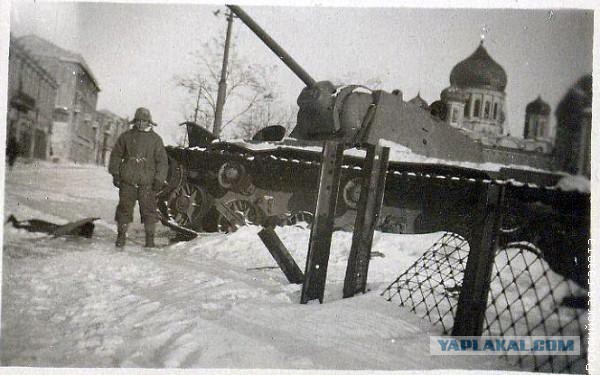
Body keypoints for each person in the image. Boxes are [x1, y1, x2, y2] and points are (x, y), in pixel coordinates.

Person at [108, 107, 168, 248]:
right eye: (139, 120)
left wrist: (159, 179)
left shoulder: (156, 140)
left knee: (149, 212)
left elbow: (162, 162)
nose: (141, 123)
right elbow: (116, 155)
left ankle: (149, 240)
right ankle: (121, 237)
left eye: (145, 121)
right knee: (124, 209)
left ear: (149, 122)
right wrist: (116, 173)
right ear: (135, 121)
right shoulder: (126, 137)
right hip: (128, 181)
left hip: (147, 183)